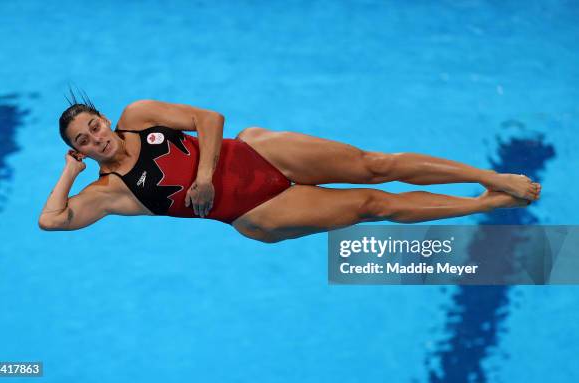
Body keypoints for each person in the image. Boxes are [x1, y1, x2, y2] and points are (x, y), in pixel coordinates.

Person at [39, 98, 541, 243]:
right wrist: (68, 173)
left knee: (375, 165)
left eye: (94, 126)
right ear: (80, 150)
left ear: (105, 118)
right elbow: (52, 221)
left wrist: (206, 175)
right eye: (82, 141)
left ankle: (491, 177)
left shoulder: (139, 116)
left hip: (258, 155)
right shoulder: (110, 190)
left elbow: (209, 119)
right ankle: (481, 203)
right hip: (258, 211)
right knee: (374, 206)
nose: (96, 137)